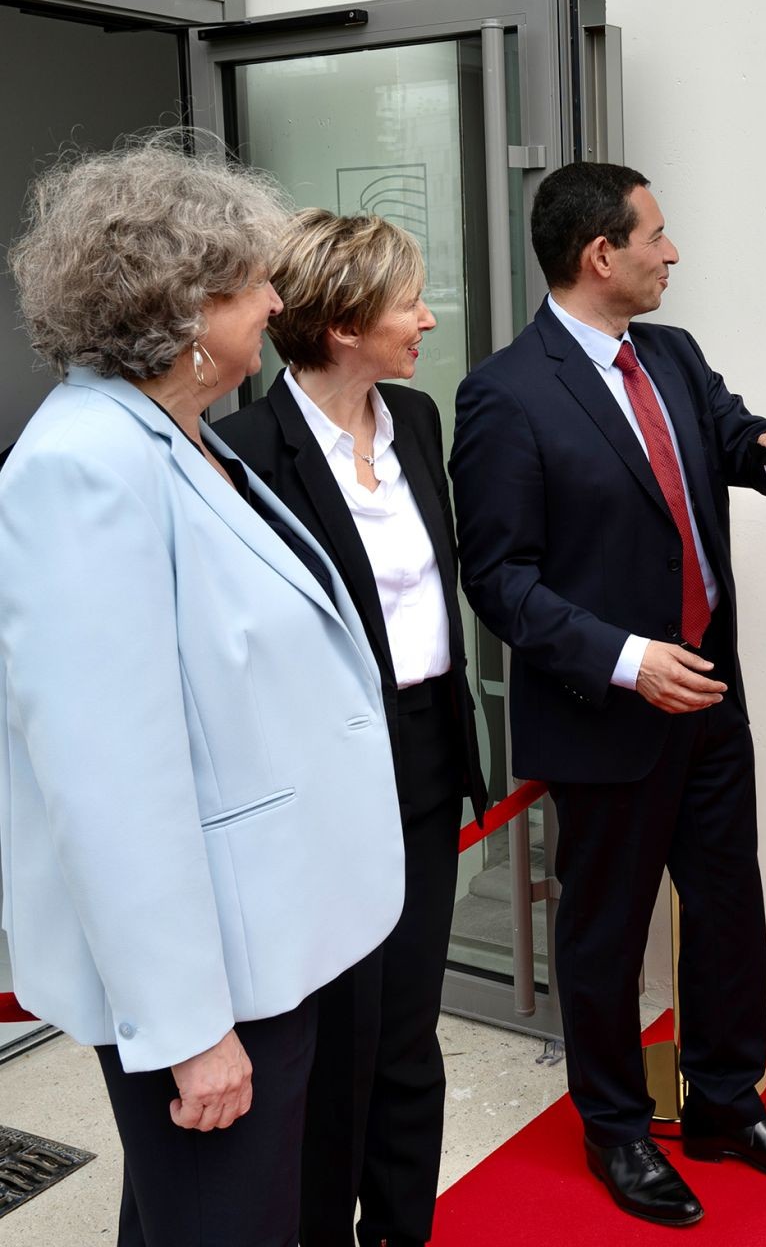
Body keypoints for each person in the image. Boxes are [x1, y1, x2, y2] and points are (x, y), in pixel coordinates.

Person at [0, 134, 402, 1246]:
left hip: (266, 942)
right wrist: (187, 1028)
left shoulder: (175, 435)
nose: (276, 302)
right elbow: (107, 779)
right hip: (213, 981)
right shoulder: (84, 465)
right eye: (253, 284)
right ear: (183, 310)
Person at [449, 161, 766, 1229]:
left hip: (711, 693)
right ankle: (616, 1130)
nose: (672, 254)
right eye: (655, 236)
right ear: (599, 254)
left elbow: (737, 438)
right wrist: (626, 659)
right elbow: (499, 579)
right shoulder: (504, 393)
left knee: (726, 912)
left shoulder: (671, 354)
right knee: (605, 935)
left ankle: (725, 1108)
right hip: (607, 713)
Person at [215, 210, 490, 1247]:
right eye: (407, 303)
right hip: (319, 778)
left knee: (408, 1035)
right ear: (340, 326)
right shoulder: (243, 454)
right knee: (336, 1050)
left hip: (424, 757)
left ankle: (402, 1233)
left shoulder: (414, 418)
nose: (428, 318)